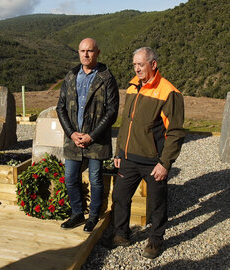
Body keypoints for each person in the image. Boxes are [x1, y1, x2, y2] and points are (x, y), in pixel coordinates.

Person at [112, 47, 185, 258]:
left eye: (140, 64)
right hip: (127, 158)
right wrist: (119, 152)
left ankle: (155, 241)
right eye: (134, 65)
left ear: (153, 64)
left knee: (157, 203)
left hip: (154, 162)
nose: (137, 69)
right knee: (119, 197)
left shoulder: (169, 92)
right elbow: (125, 124)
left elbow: (176, 132)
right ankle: (121, 234)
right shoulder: (133, 87)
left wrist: (165, 163)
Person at [56, 38, 119, 233]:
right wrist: (71, 133)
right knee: (69, 178)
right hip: (73, 139)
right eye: (82, 51)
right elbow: (61, 107)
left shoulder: (106, 78)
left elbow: (112, 112)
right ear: (78, 52)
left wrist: (91, 136)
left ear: (97, 52)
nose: (85, 54)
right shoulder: (70, 76)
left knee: (96, 179)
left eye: (89, 51)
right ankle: (76, 213)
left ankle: (93, 216)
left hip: (96, 141)